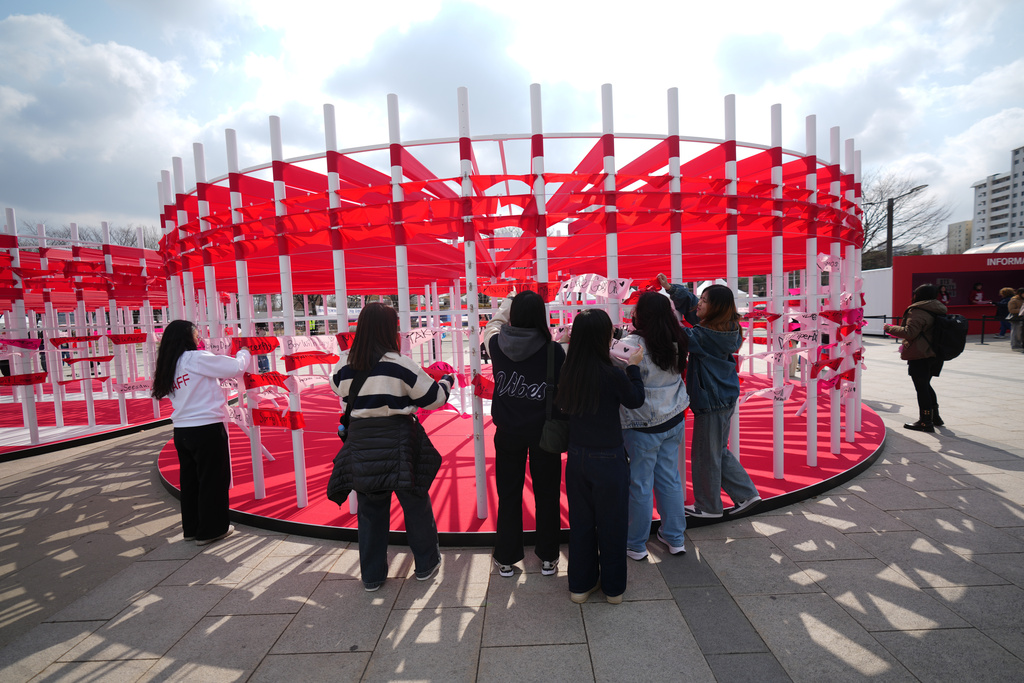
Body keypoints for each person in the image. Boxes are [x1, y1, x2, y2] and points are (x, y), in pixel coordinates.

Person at [329, 303, 454, 591]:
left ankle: (372, 576)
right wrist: (447, 381)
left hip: (361, 442)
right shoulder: (400, 364)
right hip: (399, 441)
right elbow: (434, 399)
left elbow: (337, 387)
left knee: (370, 511)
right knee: (415, 503)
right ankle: (425, 564)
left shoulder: (345, 363)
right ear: (390, 329)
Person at [557, 309, 644, 605]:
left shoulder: (568, 371)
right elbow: (635, 400)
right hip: (609, 456)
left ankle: (580, 586)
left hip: (577, 456)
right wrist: (633, 368)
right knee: (613, 524)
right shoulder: (612, 373)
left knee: (581, 524)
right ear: (605, 337)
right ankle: (613, 588)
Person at [483, 290, 565, 579]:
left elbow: (492, 325)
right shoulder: (554, 351)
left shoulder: (496, 345)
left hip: (507, 431)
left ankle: (506, 557)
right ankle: (548, 557)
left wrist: (507, 304)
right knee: (547, 494)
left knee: (508, 494)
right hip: (545, 432)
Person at [152, 320, 251, 546]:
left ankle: (192, 528)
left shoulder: (169, 364)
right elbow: (235, 367)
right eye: (196, 335)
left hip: (182, 430)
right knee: (213, 480)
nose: (199, 339)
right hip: (206, 427)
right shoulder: (195, 358)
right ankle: (211, 530)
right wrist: (244, 352)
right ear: (187, 338)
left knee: (190, 481)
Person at [615, 291, 690, 561]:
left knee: (640, 483)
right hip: (674, 415)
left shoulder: (630, 345)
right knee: (670, 478)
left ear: (641, 314)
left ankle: (636, 543)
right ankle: (675, 538)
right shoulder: (678, 338)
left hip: (641, 423)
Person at [680, 284, 762, 519]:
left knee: (706, 454)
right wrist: (672, 290)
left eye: (704, 301)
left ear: (715, 308)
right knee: (716, 450)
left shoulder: (705, 336)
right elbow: (693, 309)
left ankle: (708, 506)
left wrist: (659, 317)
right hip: (722, 398)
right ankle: (747, 494)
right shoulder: (727, 328)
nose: (699, 304)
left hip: (711, 400)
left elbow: (680, 336)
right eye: (700, 299)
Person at [883, 283, 946, 432]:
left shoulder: (918, 310)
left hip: (920, 354)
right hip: (936, 353)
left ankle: (925, 422)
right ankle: (935, 417)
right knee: (926, 384)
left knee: (921, 387)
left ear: (919, 295)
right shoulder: (938, 308)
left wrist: (889, 328)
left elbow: (909, 332)